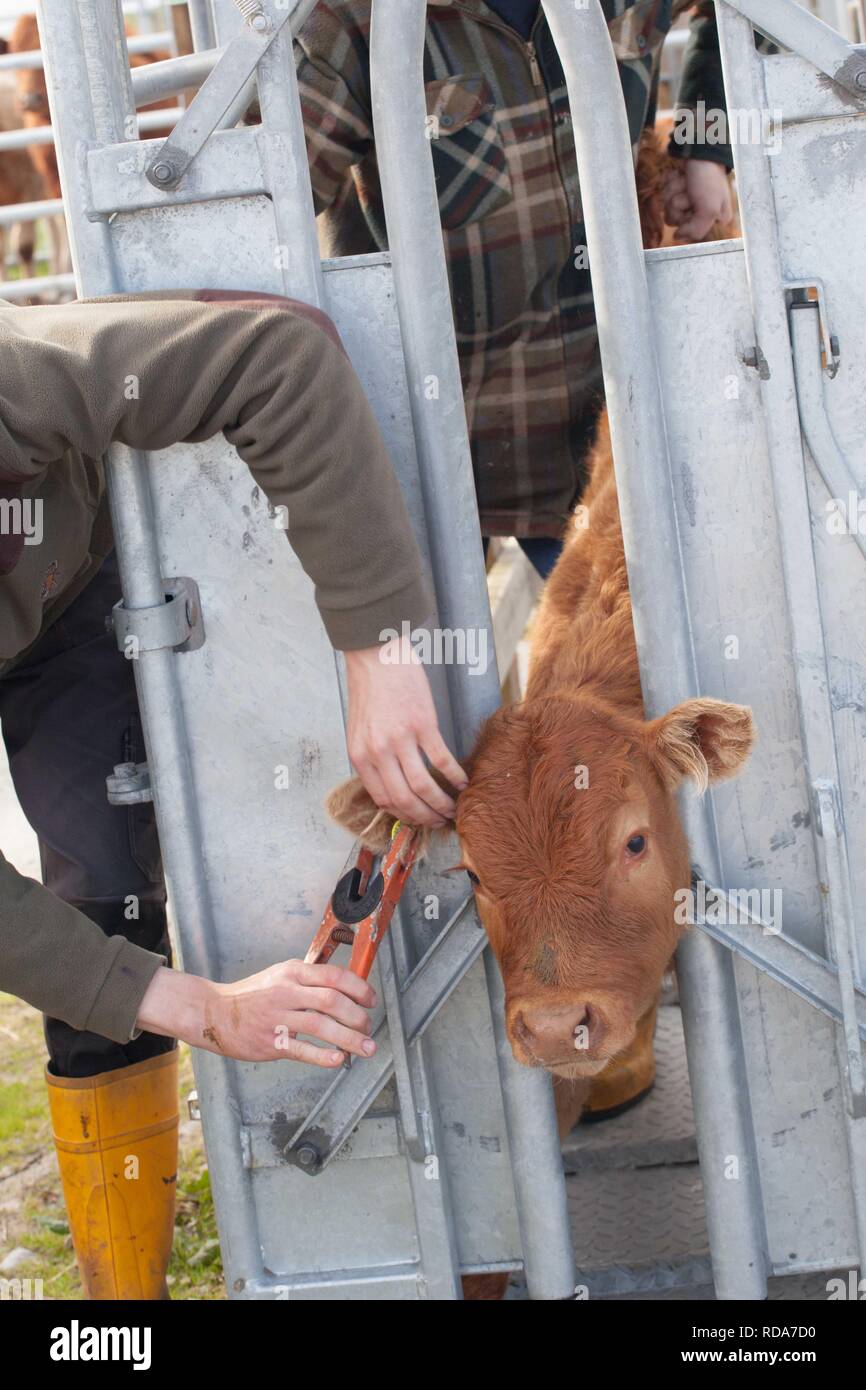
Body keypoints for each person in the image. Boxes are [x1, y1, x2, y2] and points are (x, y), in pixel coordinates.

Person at [0, 288, 466, 1298]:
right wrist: (204, 1009)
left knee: (105, 877)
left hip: (62, 589)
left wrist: (377, 648)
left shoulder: (21, 373)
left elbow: (276, 355)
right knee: (98, 961)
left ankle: (129, 1285)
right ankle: (122, 1305)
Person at [293, 0, 733, 584]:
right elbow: (257, 206)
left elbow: (744, 14)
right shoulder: (351, 19)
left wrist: (705, 145)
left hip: (609, 432)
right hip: (435, 454)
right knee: (429, 664)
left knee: (653, 661)